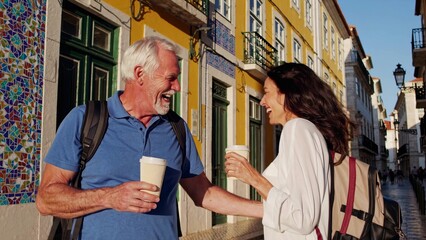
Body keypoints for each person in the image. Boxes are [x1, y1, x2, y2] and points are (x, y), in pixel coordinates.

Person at [36, 36, 262, 239]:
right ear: (139, 74)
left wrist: (267, 210)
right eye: (171, 78)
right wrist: (109, 197)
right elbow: (46, 199)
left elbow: (203, 192)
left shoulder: (176, 128)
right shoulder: (84, 120)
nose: (177, 87)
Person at [225, 63, 354, 239]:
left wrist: (253, 178)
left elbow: (302, 219)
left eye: (267, 92)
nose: (262, 101)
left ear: (288, 94)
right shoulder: (306, 130)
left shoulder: (297, 128)